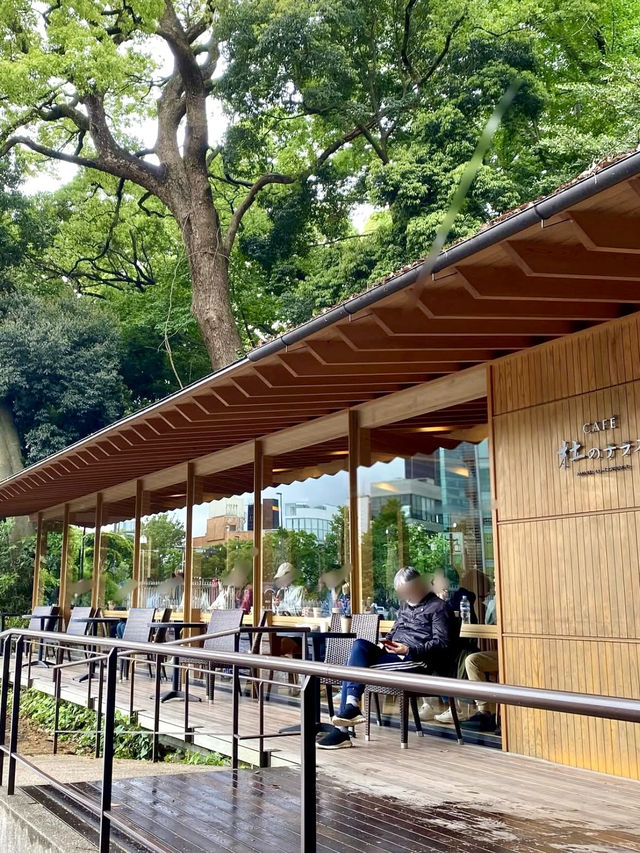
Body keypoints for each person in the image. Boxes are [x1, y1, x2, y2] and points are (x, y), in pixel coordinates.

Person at [317, 566, 457, 750]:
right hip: (393, 655)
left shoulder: (439, 607)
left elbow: (443, 644)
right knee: (359, 645)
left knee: (350, 667)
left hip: (415, 660)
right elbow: (393, 632)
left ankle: (342, 731)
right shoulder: (405, 607)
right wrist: (385, 643)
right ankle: (351, 705)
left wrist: (409, 650)